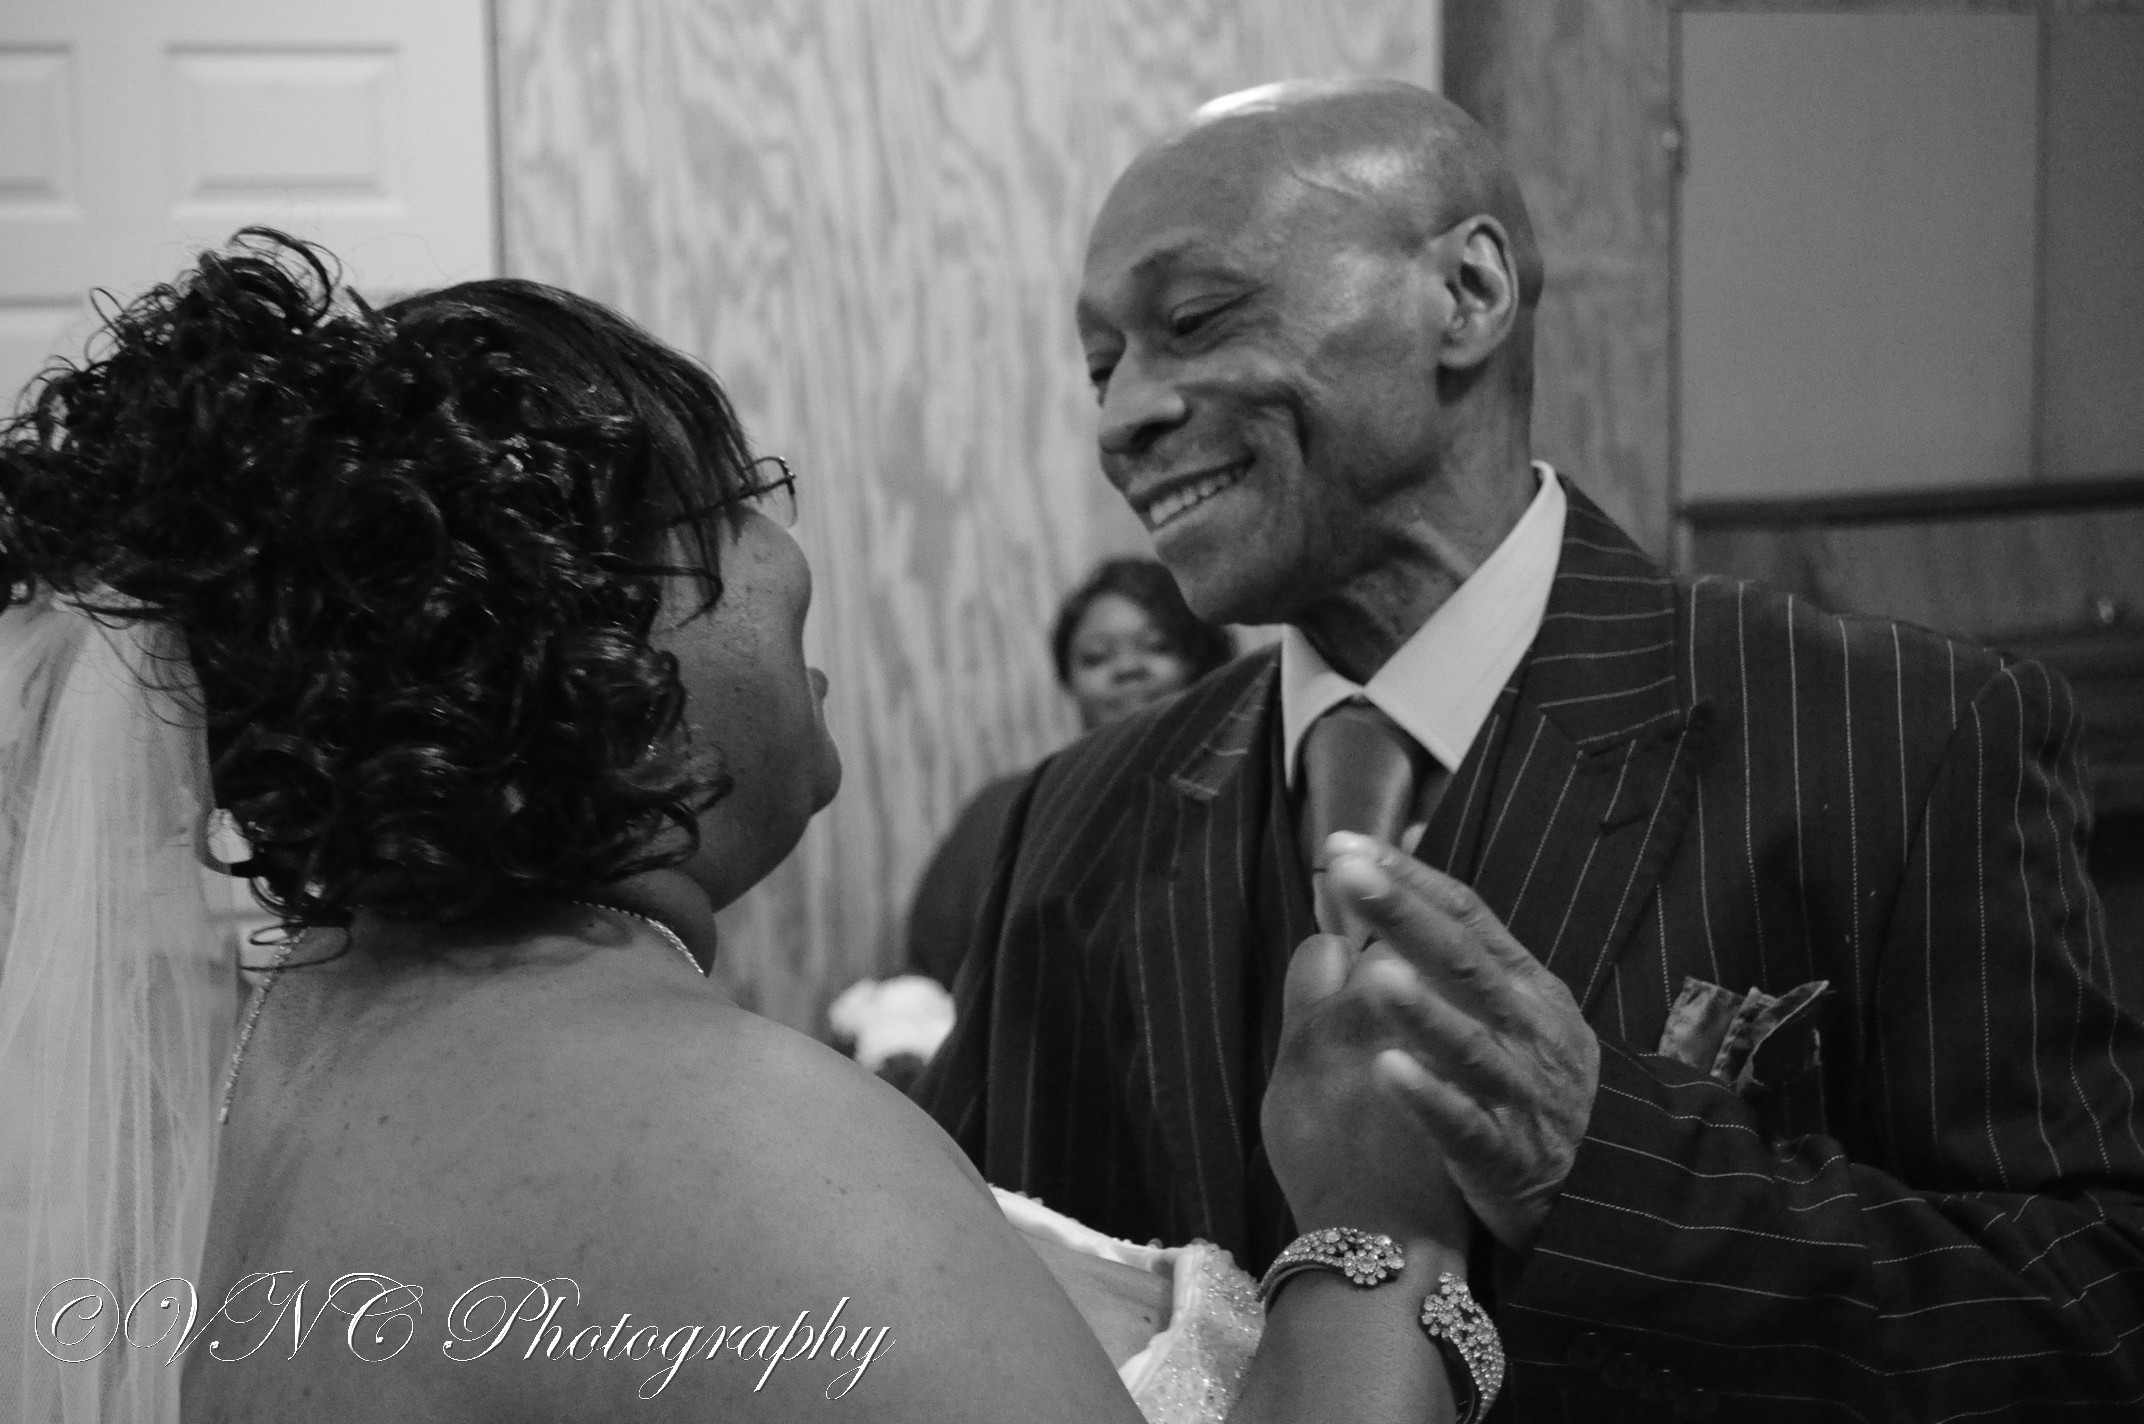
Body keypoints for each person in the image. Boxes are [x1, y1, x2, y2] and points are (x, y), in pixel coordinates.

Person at [0, 233, 1478, 1424]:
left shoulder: (279, 1064)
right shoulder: (731, 1139)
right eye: (740, 497)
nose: (790, 553)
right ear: (604, 637)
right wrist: (1381, 1226)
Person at [916, 78, 2144, 1418]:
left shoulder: (1902, 731)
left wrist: (1600, 1167)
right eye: (1102, 366)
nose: (1122, 418)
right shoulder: (1073, 820)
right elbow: (965, 1301)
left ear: (1468, 293)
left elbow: (2095, 1316)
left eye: (1195, 320)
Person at [905, 557, 1233, 986]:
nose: (1127, 668)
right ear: (1070, 683)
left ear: (1207, 666)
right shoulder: (1007, 812)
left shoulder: (1247, 799)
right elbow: (931, 974)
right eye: (1095, 658)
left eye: (1157, 647)